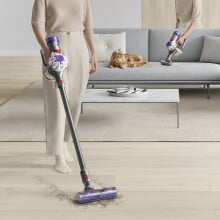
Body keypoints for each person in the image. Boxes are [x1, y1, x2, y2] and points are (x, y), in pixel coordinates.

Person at [31, 0, 97, 174]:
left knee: (75, 101)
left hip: (79, 46)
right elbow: (36, 25)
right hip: (55, 45)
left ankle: (65, 142)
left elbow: (88, 28)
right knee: (57, 103)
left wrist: (93, 53)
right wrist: (47, 51)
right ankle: (57, 154)